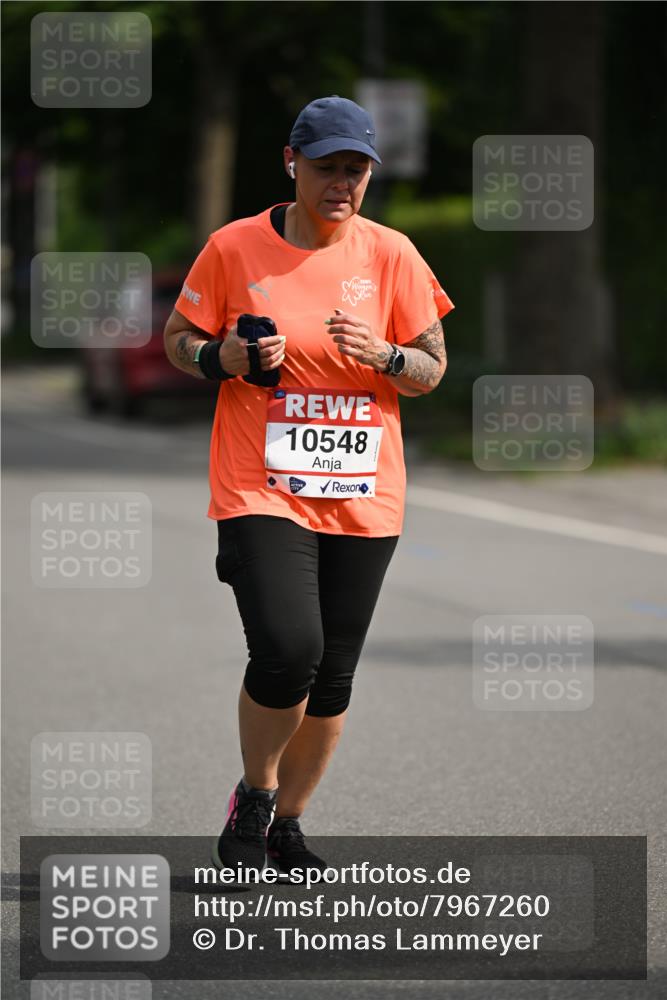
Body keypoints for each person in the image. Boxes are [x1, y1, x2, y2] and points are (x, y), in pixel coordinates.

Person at [163, 95, 454, 882]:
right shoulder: (234, 248)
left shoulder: (391, 255)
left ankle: (288, 825)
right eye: (327, 167)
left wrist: (386, 356)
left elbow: (431, 368)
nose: (341, 184)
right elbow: (179, 338)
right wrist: (218, 358)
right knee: (291, 648)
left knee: (333, 676)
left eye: (355, 170)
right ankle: (255, 794)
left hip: (363, 493)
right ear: (291, 163)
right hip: (260, 484)